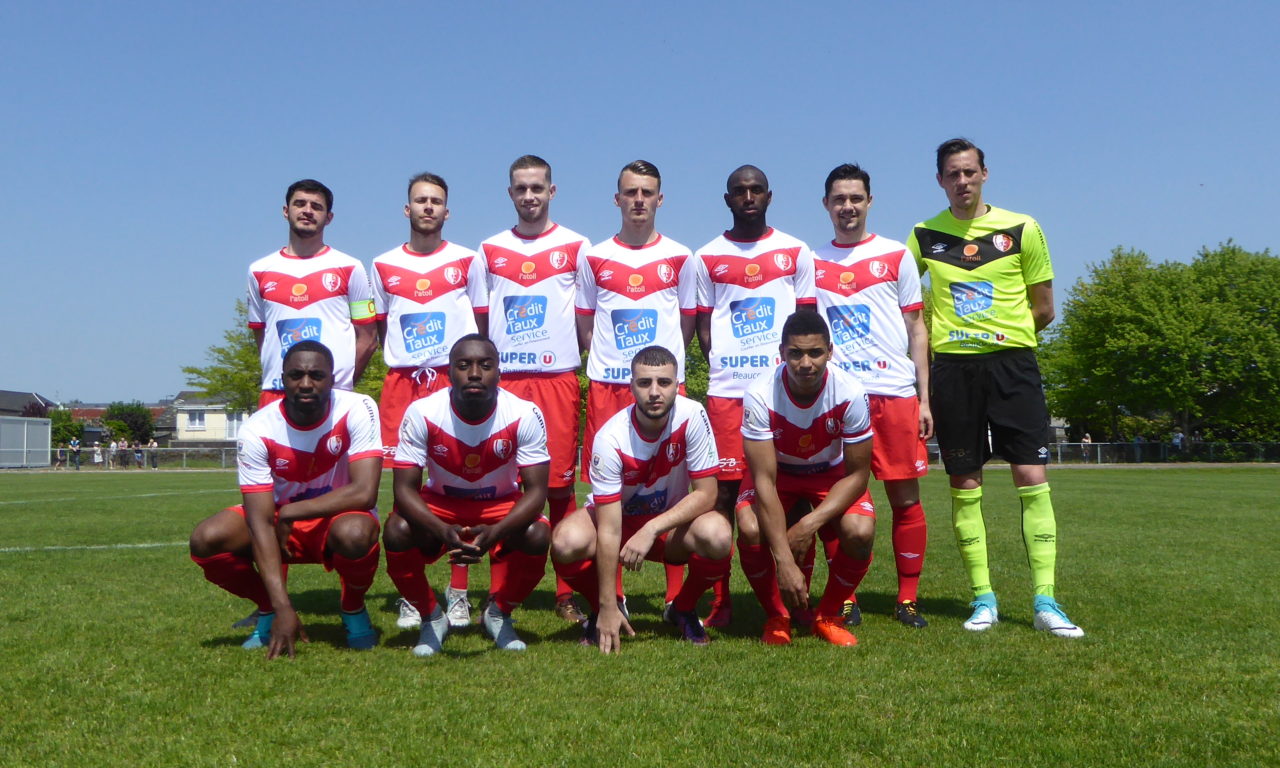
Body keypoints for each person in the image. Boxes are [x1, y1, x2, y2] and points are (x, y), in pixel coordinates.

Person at [906, 137, 1084, 638]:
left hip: (1012, 367)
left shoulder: (1022, 227)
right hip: (953, 372)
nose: (961, 182)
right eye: (952, 174)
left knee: (1030, 475)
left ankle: (1045, 600)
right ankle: (982, 598)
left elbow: (1044, 306)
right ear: (939, 180)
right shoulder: (923, 236)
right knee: (965, 482)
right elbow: (902, 299)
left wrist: (1002, 335)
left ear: (985, 173)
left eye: (969, 172)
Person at [188, 340, 384, 657]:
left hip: (335, 516)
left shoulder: (358, 407)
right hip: (277, 521)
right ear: (283, 379)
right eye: (296, 375)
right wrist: (282, 607)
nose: (306, 383)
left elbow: (364, 493)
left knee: (357, 534)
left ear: (332, 379)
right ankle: (267, 608)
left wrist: (292, 511)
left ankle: (352, 607)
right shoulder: (257, 429)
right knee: (207, 538)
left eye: (316, 375)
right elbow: (259, 521)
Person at [692, 164, 816, 627]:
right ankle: (721, 602)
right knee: (723, 499)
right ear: (727, 199)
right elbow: (705, 325)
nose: (748, 196)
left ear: (769, 195)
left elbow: (805, 323)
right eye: (739, 191)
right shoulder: (707, 256)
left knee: (794, 496)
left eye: (756, 189)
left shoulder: (794, 251)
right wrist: (730, 365)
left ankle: (798, 600)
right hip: (728, 395)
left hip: (785, 394)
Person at [813, 163, 933, 629]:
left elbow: (915, 327)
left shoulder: (896, 255)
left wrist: (924, 399)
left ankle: (907, 599)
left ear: (869, 202)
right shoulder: (813, 260)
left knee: (905, 497)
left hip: (893, 393)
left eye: (856, 198)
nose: (848, 207)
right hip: (839, 399)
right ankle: (846, 596)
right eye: (839, 199)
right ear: (826, 205)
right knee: (837, 500)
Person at [552, 345, 732, 652]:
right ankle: (604, 609)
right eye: (644, 382)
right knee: (565, 542)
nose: (654, 392)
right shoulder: (611, 438)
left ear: (677, 384)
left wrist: (651, 529)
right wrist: (607, 603)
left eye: (664, 382)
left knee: (718, 534)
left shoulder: (693, 414)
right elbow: (609, 528)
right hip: (617, 525)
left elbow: (707, 494)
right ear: (631, 386)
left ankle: (683, 608)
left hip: (666, 528)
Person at [575, 160, 696, 614]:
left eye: (647, 192)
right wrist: (615, 368)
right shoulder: (594, 256)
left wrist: (661, 374)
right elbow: (586, 322)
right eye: (631, 192)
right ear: (617, 198)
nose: (639, 199)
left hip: (666, 388)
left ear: (660, 199)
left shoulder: (682, 256)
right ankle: (616, 594)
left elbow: (686, 321)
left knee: (673, 484)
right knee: (613, 489)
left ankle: (673, 596)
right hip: (609, 386)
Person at [475, 155, 591, 626]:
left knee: (560, 489)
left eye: (537, 188)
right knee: (503, 487)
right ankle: (499, 593)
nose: (529, 196)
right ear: (510, 194)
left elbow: (586, 317)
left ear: (552, 191)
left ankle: (566, 593)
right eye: (521, 188)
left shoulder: (577, 247)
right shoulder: (488, 250)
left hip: (557, 380)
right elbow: (482, 322)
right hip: (507, 384)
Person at [384, 334, 551, 656]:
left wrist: (497, 533)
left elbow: (537, 492)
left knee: (538, 534)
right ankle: (431, 616)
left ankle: (498, 613)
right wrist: (441, 531)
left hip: (500, 505)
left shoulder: (524, 413)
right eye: (464, 365)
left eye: (485, 366)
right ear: (449, 372)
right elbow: (404, 490)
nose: (474, 373)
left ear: (499, 373)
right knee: (396, 530)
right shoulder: (423, 412)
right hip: (442, 504)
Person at [373, 172, 489, 633]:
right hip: (403, 383)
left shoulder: (468, 260)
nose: (427, 207)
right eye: (419, 200)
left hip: (450, 381)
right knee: (404, 488)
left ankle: (458, 592)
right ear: (407, 209)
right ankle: (411, 595)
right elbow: (381, 326)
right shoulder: (381, 265)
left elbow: (479, 323)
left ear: (447, 211)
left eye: (435, 201)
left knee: (460, 481)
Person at [736, 312, 874, 646]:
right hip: (778, 475)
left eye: (815, 352)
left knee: (861, 530)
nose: (806, 363)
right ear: (782, 353)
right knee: (750, 527)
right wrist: (784, 560)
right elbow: (764, 480)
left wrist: (807, 525)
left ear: (830, 351)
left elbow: (858, 474)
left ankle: (826, 615)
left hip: (830, 474)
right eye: (796, 353)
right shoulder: (759, 394)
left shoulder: (850, 392)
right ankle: (777, 616)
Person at [246, 179, 377, 408]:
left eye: (316, 206)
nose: (307, 211)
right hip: (276, 394)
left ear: (329, 217)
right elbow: (262, 336)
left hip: (333, 396)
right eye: (300, 204)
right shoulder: (258, 271)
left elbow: (368, 338)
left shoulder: (351, 267)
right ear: (286, 211)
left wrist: (338, 385)